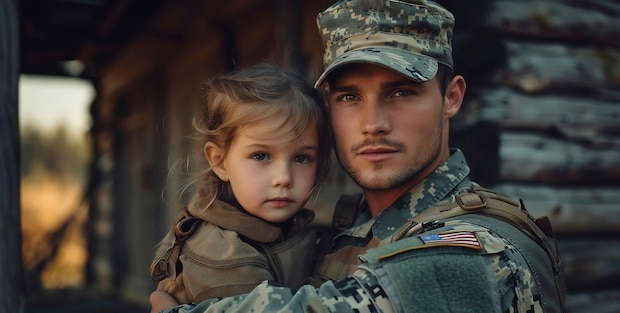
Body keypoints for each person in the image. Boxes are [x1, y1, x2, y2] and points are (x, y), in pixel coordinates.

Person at [151, 0, 566, 312]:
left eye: (401, 92)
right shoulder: (343, 229)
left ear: (451, 97)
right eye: (349, 96)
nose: (372, 123)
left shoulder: (476, 250)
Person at [148, 63, 332, 311]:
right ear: (220, 161)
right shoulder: (223, 257)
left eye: (301, 158)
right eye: (260, 156)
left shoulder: (289, 225)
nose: (283, 178)